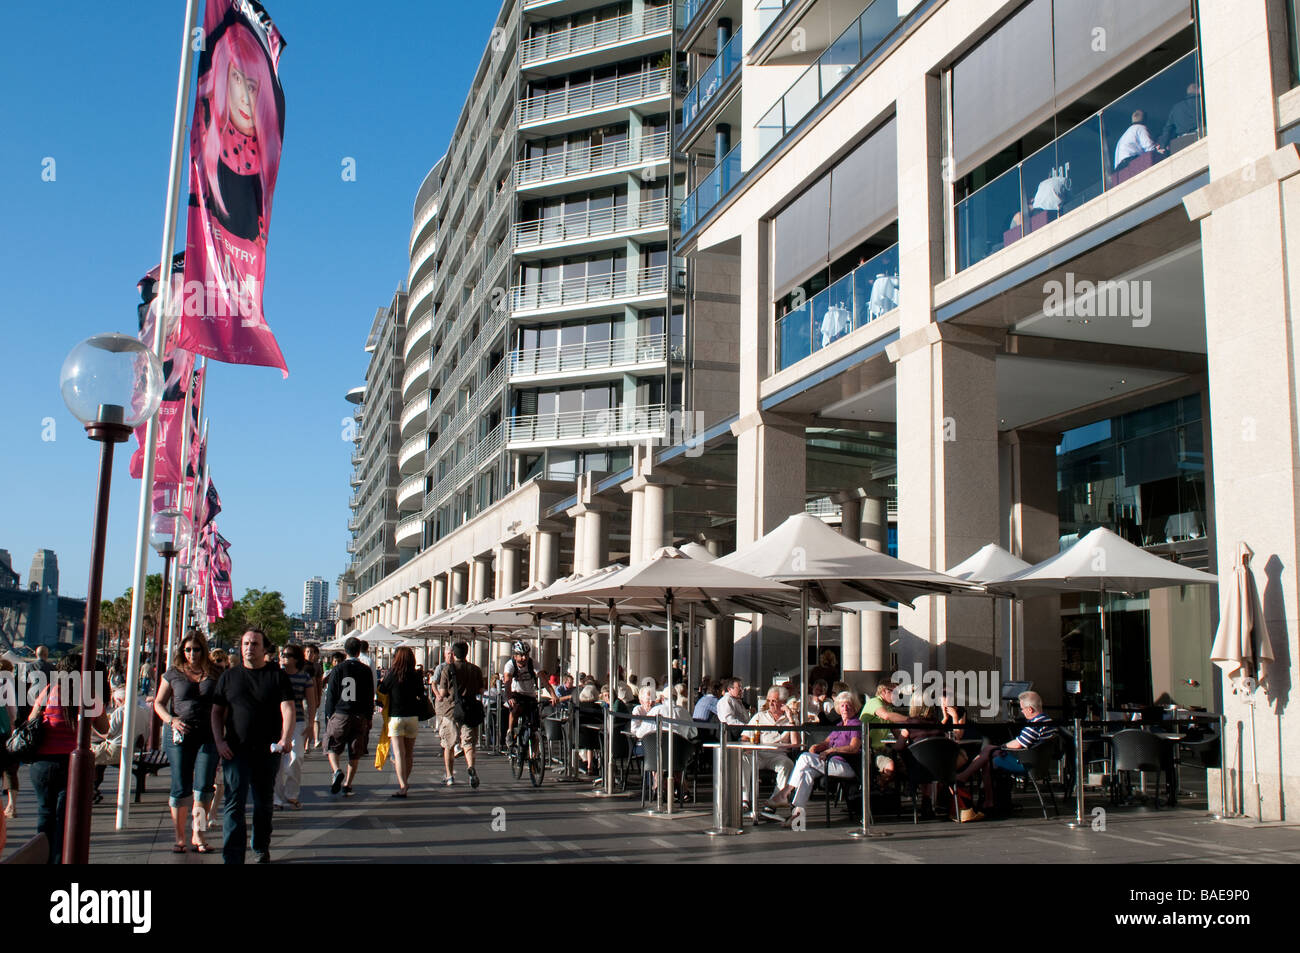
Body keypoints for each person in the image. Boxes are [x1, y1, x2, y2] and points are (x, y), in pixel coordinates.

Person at [210, 629, 295, 864]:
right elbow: (217, 712)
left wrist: (285, 739)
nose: (249, 647)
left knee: (263, 803)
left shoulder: (277, 676)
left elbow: (287, 708)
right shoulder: (229, 677)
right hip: (235, 750)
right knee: (234, 802)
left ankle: (260, 847)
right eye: (246, 643)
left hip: (267, 751)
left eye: (255, 644)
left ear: (264, 649)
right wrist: (219, 741)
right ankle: (233, 856)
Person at [194, 19, 282, 244]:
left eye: (251, 86)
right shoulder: (203, 139)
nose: (245, 98)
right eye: (237, 79)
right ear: (224, 76)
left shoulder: (263, 162)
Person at [28, 654, 110, 863]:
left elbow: (31, 720)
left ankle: (42, 857)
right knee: (65, 818)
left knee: (44, 813)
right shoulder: (88, 695)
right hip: (70, 764)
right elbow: (104, 728)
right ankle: (58, 858)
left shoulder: (49, 691)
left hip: (42, 764)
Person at [153, 631, 219, 852]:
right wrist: (171, 720)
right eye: (188, 649)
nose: (192, 653)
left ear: (204, 650)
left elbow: (224, 704)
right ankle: (180, 836)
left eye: (197, 649)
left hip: (208, 735)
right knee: (180, 786)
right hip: (179, 735)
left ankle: (198, 834)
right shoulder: (173, 673)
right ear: (182, 651)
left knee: (204, 787)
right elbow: (159, 703)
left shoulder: (215, 673)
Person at [955, 690, 1055, 817]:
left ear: (1030, 709)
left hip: (1026, 763)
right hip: (1038, 762)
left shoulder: (1034, 724)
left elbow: (1019, 743)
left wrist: (1001, 747)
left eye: (1022, 709)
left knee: (989, 755)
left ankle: (981, 793)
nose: (1022, 712)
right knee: (990, 753)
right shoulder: (1047, 720)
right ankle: (986, 799)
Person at [766, 692, 861, 825]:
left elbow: (854, 747)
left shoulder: (855, 724)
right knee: (807, 773)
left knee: (804, 758)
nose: (845, 708)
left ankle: (785, 793)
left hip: (848, 765)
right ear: (838, 708)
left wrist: (832, 750)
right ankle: (797, 816)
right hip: (832, 762)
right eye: (842, 705)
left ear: (854, 707)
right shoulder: (840, 725)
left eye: (848, 705)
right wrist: (817, 747)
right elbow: (826, 743)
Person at [323, 636, 375, 797]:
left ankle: (336, 770)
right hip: (359, 715)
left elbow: (331, 695)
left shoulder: (338, 669)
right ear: (359, 651)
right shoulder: (365, 670)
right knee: (355, 751)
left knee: (332, 746)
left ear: (345, 651)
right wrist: (369, 716)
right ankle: (348, 784)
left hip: (341, 712)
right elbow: (369, 695)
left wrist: (329, 715)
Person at [377, 646, 428, 797]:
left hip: (396, 717)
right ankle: (405, 780)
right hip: (412, 717)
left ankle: (403, 785)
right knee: (409, 754)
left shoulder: (393, 674)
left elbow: (383, 690)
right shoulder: (416, 675)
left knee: (399, 753)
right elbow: (420, 693)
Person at [273, 644, 317, 809]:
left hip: (298, 721)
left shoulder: (304, 677)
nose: (284, 657)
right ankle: (276, 798)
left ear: (296, 659)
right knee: (276, 762)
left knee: (296, 757)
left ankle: (291, 794)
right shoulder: (276, 675)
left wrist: (311, 723)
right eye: (282, 654)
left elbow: (311, 702)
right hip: (276, 722)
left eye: (288, 655)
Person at [435, 640, 484, 788]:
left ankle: (449, 776)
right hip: (469, 709)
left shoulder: (447, 669)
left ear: (453, 654)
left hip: (450, 710)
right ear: (466, 653)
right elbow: (481, 690)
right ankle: (471, 767)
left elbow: (442, 693)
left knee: (449, 744)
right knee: (468, 743)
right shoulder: (475, 669)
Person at [743, 687, 799, 810]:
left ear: (783, 702)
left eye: (774, 700)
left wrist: (790, 719)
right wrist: (748, 746)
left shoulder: (791, 719)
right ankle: (745, 799)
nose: (771, 704)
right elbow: (745, 736)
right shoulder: (760, 716)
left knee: (787, 764)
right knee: (744, 759)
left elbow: (796, 743)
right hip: (759, 753)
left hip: (778, 755)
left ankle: (774, 801)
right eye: (769, 701)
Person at [860, 680, 910, 785]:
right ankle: (879, 788)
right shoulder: (874, 702)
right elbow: (885, 715)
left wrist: (909, 739)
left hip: (881, 749)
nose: (898, 696)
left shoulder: (888, 708)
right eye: (895, 692)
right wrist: (910, 720)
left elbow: (896, 732)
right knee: (890, 767)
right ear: (884, 691)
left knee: (909, 762)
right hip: (867, 750)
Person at [502, 640, 540, 743]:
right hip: (516, 693)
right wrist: (509, 697)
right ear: (515, 656)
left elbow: (544, 680)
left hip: (530, 694)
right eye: (521, 655)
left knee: (535, 724)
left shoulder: (533, 663)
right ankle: (510, 731)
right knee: (515, 709)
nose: (524, 658)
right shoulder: (510, 665)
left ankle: (535, 754)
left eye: (526, 655)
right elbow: (507, 683)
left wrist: (553, 695)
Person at [0, 659, 18, 819]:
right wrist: (14, 729)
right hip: (4, 731)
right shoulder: (5, 682)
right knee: (10, 770)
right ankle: (11, 805)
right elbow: (12, 710)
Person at [1159, 83, 1201, 150]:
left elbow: (1168, 129)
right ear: (1199, 90)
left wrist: (1162, 145)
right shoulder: (1203, 101)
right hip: (1200, 137)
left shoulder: (1176, 108)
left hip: (1181, 143)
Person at [302, 643, 325, 748]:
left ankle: (307, 743)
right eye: (308, 652)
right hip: (302, 698)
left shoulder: (316, 666)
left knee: (311, 720)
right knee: (304, 721)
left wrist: (318, 697)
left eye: (312, 652)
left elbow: (318, 683)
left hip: (313, 697)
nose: (310, 654)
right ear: (304, 653)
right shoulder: (300, 665)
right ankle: (304, 744)